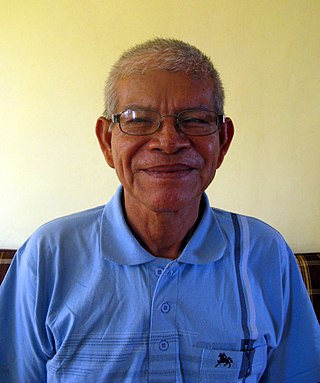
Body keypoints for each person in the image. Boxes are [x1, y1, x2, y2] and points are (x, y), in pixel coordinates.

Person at [0, 38, 319, 383]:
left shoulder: (266, 255)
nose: (168, 142)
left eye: (195, 119)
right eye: (138, 119)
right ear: (107, 142)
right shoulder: (48, 256)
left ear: (223, 141)